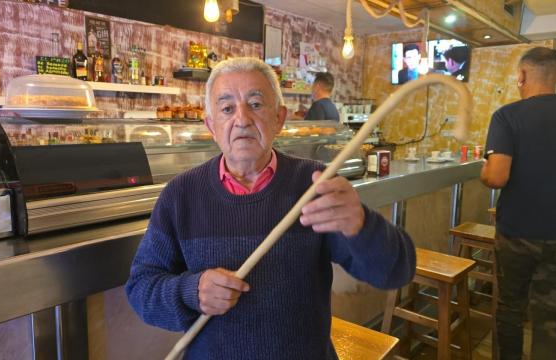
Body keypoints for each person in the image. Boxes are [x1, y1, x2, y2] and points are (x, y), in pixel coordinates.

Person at [125, 57, 416, 359]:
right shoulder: (180, 194)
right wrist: (191, 291)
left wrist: (363, 225)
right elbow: (141, 288)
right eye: (227, 108)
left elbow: (397, 272)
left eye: (255, 104)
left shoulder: (315, 185)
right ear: (211, 126)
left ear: (279, 118)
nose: (242, 119)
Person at [480, 47, 556, 360]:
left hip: (517, 234)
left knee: (510, 308)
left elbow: (497, 176)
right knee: (551, 315)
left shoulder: (507, 116)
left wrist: (484, 170)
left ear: (521, 76)